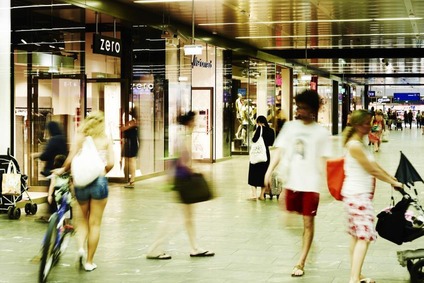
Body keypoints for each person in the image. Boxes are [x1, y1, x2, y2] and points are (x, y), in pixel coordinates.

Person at [264, 89, 331, 277]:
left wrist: (325, 185)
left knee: (308, 223)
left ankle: (301, 262)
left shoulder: (320, 132)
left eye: (304, 108)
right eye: (298, 107)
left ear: (313, 110)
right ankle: (308, 242)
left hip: (311, 185)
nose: (300, 111)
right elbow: (279, 150)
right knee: (287, 222)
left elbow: (323, 159)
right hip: (291, 183)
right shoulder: (291, 127)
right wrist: (268, 171)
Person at [341, 109, 403, 283]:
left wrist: (391, 178)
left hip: (356, 196)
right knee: (364, 237)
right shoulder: (354, 145)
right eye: (367, 123)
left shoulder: (359, 143)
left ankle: (356, 274)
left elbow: (374, 164)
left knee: (356, 236)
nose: (370, 126)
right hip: (357, 196)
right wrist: (393, 183)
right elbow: (372, 170)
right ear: (358, 125)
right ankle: (354, 278)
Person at [146, 111, 215, 260]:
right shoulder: (184, 136)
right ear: (189, 122)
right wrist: (198, 170)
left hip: (181, 181)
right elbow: (184, 161)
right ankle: (155, 248)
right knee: (175, 218)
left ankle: (194, 247)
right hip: (184, 182)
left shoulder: (182, 135)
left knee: (187, 217)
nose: (197, 123)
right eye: (195, 120)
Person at [54, 111, 114, 272]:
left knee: (82, 220)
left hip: (80, 183)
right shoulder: (106, 140)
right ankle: (89, 262)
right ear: (101, 123)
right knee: (95, 223)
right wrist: (101, 172)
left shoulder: (80, 137)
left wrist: (62, 170)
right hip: (99, 182)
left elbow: (70, 159)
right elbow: (111, 163)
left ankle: (80, 248)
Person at [248, 115, 275, 200]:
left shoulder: (260, 129)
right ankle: (262, 195)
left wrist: (256, 131)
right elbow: (271, 143)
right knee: (263, 174)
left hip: (257, 154)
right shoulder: (271, 130)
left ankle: (254, 194)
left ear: (259, 122)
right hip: (265, 154)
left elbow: (254, 140)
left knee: (253, 173)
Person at [121, 107, 139, 188]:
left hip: (132, 143)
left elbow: (123, 129)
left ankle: (132, 180)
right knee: (129, 161)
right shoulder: (132, 122)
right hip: (129, 143)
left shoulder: (133, 122)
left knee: (131, 161)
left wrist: (124, 127)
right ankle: (130, 179)